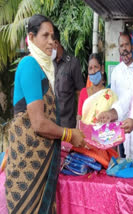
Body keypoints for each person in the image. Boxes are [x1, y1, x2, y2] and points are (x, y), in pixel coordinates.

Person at [5, 14, 86, 213]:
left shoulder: (43, 68)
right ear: (31, 38)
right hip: (28, 165)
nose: (52, 41)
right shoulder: (29, 65)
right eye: (45, 36)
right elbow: (39, 124)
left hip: (39, 163)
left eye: (53, 37)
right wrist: (69, 134)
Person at [107, 32, 133, 157]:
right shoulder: (116, 72)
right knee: (124, 162)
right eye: (121, 46)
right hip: (122, 127)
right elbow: (114, 101)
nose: (124, 48)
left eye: (126, 44)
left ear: (132, 47)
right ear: (119, 49)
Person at [52, 26, 85, 128]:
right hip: (51, 124)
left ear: (56, 43)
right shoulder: (47, 64)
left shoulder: (72, 63)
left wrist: (79, 122)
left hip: (67, 124)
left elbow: (81, 93)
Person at [77, 53, 117, 125]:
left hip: (103, 134)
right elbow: (79, 118)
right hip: (85, 134)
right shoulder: (83, 92)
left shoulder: (109, 95)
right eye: (90, 68)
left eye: (96, 67)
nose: (93, 71)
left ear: (102, 68)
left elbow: (113, 119)